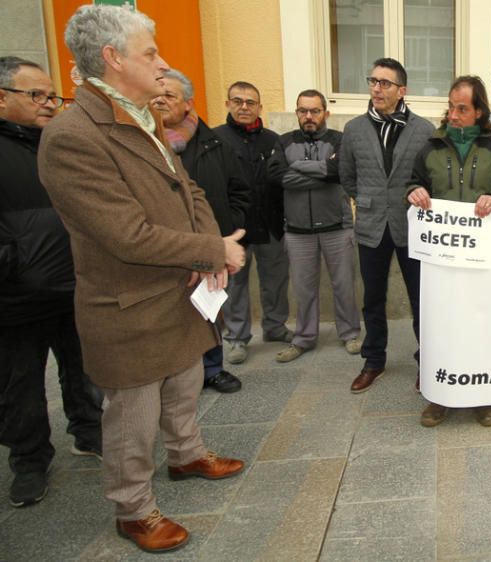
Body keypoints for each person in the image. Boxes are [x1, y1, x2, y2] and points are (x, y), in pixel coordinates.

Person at [38, 5, 246, 552]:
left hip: (177, 290)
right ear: (112, 57)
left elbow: (189, 192)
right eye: (150, 52)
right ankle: (133, 508)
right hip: (128, 302)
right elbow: (125, 234)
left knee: (183, 383)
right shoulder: (73, 134)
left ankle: (186, 455)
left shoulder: (141, 116)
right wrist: (213, 248)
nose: (162, 63)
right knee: (133, 413)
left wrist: (208, 254)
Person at [0, 56, 104, 508]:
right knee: (19, 383)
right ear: (2, 98)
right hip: (16, 295)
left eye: (52, 95)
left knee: (82, 367)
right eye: (36, 95)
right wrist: (13, 263)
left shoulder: (59, 144)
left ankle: (88, 430)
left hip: (75, 284)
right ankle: (29, 459)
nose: (49, 104)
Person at [406, 76, 491, 428]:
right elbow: (413, 182)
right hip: (440, 259)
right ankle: (438, 396)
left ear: (478, 111)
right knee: (440, 326)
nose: (453, 115)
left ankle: (483, 397)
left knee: (481, 325)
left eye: (462, 109)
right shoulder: (431, 147)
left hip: (481, 257)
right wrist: (413, 192)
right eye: (451, 107)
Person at [339, 58, 434, 393]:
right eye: (373, 81)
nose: (376, 88)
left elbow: (429, 177)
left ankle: (429, 361)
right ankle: (374, 360)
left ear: (402, 90)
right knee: (373, 298)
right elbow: (347, 177)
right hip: (371, 226)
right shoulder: (353, 129)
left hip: (411, 227)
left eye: (385, 83)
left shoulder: (424, 130)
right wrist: (366, 200)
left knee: (422, 299)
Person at [152, 69, 251, 393]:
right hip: (160, 246)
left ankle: (211, 368)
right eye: (156, 94)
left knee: (209, 310)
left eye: (170, 95)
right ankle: (169, 373)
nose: (160, 100)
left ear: (188, 103)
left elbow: (240, 190)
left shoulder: (215, 144)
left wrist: (227, 228)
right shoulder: (142, 143)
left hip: (210, 245)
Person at [268, 90, 362, 362]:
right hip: (298, 231)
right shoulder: (284, 141)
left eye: (315, 111)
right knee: (303, 289)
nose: (308, 116)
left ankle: (350, 333)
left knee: (343, 285)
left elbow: (339, 173)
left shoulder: (340, 140)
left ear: (325, 113)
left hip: (337, 226)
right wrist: (320, 171)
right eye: (302, 111)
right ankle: (304, 338)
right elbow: (276, 177)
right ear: (296, 112)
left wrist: (297, 167)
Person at [215, 81, 292, 364]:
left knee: (276, 280)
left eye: (251, 102)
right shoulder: (216, 140)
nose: (244, 107)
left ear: (260, 107)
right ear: (228, 104)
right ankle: (236, 337)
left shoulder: (274, 140)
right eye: (238, 101)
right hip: (235, 229)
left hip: (270, 223)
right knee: (235, 285)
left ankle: (274, 326)